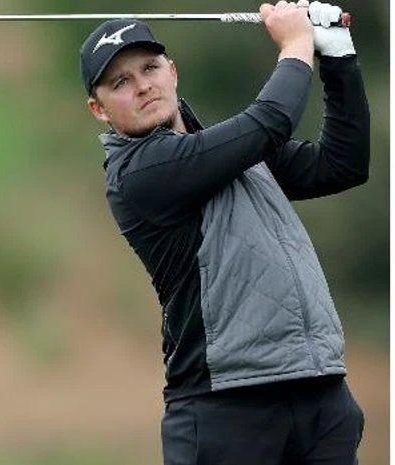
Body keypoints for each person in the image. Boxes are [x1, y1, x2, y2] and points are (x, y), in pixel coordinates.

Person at [81, 1, 367, 464]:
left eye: (149, 68)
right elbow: (269, 122)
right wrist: (296, 44)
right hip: (225, 410)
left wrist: (337, 57)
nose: (143, 86)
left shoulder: (230, 152)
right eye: (120, 82)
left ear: (172, 71)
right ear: (99, 109)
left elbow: (342, 165)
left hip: (319, 396)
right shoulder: (138, 173)